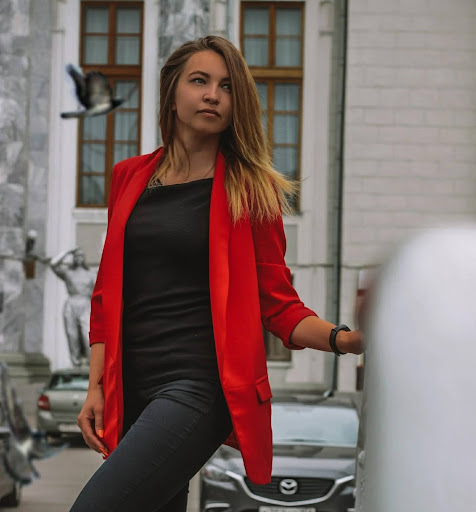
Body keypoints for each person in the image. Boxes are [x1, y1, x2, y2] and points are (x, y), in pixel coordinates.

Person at [71, 35, 363, 512]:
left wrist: (344, 340)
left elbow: (279, 306)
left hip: (199, 386)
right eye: (199, 81)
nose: (213, 95)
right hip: (134, 386)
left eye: (227, 87)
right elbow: (107, 294)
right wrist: (96, 387)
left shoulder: (251, 191)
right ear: (171, 92)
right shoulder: (129, 176)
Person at [48, 247, 95, 367]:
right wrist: (66, 253)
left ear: (84, 258)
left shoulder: (91, 274)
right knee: (72, 335)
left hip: (86, 304)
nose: (79, 258)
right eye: (76, 256)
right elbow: (53, 264)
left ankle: (90, 363)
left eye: (81, 256)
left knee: (87, 335)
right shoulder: (68, 273)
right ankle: (76, 362)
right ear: (73, 258)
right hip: (71, 304)